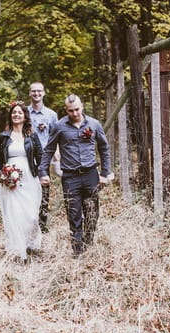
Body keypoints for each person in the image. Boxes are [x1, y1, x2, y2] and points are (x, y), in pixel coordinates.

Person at [38, 94, 113, 256]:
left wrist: (105, 172)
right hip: (70, 177)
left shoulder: (94, 124)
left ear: (82, 107)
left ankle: (88, 242)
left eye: (77, 109)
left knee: (92, 212)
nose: (74, 113)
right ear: (66, 110)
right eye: (71, 111)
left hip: (90, 174)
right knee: (74, 213)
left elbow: (104, 148)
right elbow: (49, 149)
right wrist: (43, 171)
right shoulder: (59, 126)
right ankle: (77, 250)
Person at [0, 101, 43, 260]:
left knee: (31, 214)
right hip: (10, 179)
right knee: (14, 213)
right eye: (14, 112)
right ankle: (18, 249)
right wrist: (2, 176)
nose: (16, 115)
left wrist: (40, 173)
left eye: (19, 113)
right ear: (11, 116)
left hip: (29, 177)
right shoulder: (3, 137)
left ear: (24, 116)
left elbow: (40, 156)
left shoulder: (32, 135)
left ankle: (31, 243)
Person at [27, 82, 60, 233]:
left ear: (44, 93)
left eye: (39, 91)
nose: (36, 94)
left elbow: (56, 135)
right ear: (29, 93)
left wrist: (57, 152)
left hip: (44, 157)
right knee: (27, 188)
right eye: (34, 91)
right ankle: (28, 222)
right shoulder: (24, 112)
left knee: (43, 188)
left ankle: (42, 224)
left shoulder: (51, 115)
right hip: (27, 155)